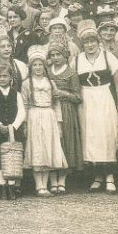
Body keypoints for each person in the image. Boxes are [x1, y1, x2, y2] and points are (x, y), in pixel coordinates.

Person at [75, 20, 118, 193]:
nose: (90, 45)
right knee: (91, 137)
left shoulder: (107, 56)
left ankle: (110, 176)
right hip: (86, 100)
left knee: (107, 135)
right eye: (86, 42)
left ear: (98, 41)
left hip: (104, 98)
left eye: (93, 41)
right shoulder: (77, 59)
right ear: (83, 44)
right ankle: (97, 176)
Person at [22, 46, 68, 197]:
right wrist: (25, 124)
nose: (38, 67)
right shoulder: (26, 83)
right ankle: (39, 185)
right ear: (31, 67)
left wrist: (59, 123)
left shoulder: (50, 82)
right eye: (34, 65)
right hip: (34, 116)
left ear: (44, 66)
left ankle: (46, 184)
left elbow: (56, 104)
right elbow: (24, 104)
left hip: (49, 116)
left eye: (40, 64)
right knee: (36, 149)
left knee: (47, 148)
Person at [0, 61, 26, 200]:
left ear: (11, 77)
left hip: (14, 131)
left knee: (13, 157)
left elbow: (22, 113)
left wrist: (13, 127)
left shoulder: (17, 94)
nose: (2, 79)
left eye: (5, 76)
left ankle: (12, 186)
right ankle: (2, 186)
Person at [47, 43, 83, 179]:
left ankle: (62, 179)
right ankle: (52, 178)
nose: (55, 58)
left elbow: (78, 97)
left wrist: (63, 94)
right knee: (52, 142)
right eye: (52, 55)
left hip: (67, 110)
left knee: (65, 141)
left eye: (58, 55)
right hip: (50, 110)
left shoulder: (71, 73)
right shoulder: (47, 71)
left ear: (65, 55)